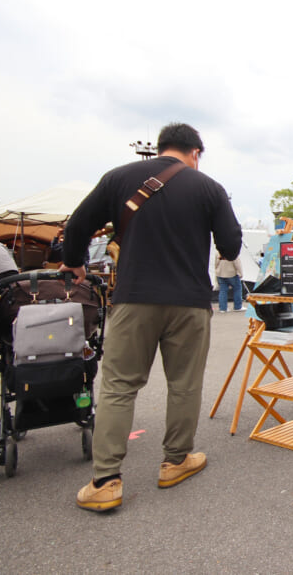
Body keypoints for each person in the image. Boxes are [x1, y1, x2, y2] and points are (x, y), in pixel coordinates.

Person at [61, 123, 242, 512]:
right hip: (190, 303)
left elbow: (75, 228)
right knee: (184, 384)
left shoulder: (118, 178)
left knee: (119, 386)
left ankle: (106, 481)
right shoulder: (209, 188)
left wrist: (75, 264)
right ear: (196, 153)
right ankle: (176, 461)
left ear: (160, 148)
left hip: (134, 298)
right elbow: (230, 245)